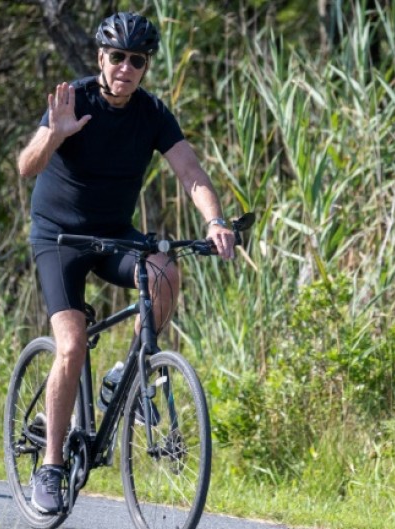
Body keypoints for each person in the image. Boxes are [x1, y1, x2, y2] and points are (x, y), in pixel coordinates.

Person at [16, 12, 235, 514]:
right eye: (118, 57)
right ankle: (51, 466)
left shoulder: (152, 113)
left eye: (137, 61)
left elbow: (190, 171)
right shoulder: (74, 99)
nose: (126, 68)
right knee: (71, 345)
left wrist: (215, 221)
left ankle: (124, 375)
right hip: (59, 237)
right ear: (101, 58)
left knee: (165, 272)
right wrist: (55, 133)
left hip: (113, 233)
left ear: (145, 67)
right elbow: (27, 166)